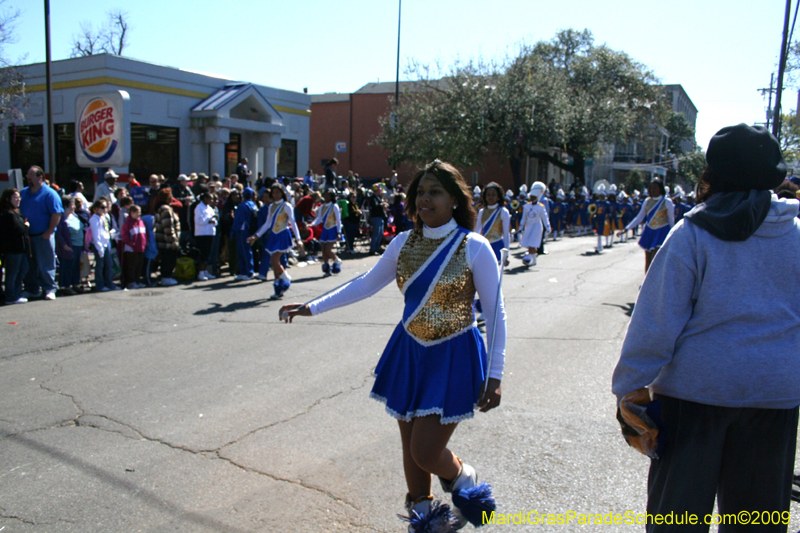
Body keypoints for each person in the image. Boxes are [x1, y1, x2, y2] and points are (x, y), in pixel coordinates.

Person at [279, 160, 505, 529]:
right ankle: (424, 512)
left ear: (454, 200)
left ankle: (464, 479)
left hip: (453, 353)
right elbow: (365, 283)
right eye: (420, 192)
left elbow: (496, 313)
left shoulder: (474, 247)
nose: (425, 199)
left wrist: (495, 374)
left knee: (426, 449)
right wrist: (313, 307)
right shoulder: (403, 242)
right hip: (408, 350)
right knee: (409, 443)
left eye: (435, 192)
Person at [612, 124, 800, 533]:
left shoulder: (694, 232)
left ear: (713, 174)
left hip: (695, 398)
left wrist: (631, 385)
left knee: (677, 519)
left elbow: (657, 318)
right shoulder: (797, 234)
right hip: (774, 397)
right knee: (758, 522)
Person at [247, 183, 302, 299]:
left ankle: (286, 278)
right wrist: (255, 236)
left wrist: (298, 239)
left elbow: (293, 222)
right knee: (276, 262)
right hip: (273, 235)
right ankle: (278, 288)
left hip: (283, 235)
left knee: (274, 261)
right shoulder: (271, 206)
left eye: (278, 192)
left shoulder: (286, 206)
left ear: (282, 193)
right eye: (274, 193)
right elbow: (267, 224)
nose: (276, 195)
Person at [20, 165, 63, 300]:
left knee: (46, 262)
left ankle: (49, 289)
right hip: (28, 236)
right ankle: (32, 289)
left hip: (43, 235)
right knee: (29, 265)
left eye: (31, 175)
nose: (28, 178)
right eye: (27, 175)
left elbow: (56, 214)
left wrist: (49, 232)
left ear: (40, 177)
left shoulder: (49, 193)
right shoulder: (24, 193)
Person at [618, 178, 675, 273]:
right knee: (648, 260)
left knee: (655, 259)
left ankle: (655, 283)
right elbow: (639, 217)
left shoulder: (667, 202)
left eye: (655, 188)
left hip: (661, 232)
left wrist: (674, 235)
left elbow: (671, 220)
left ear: (660, 189)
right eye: (651, 188)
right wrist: (626, 229)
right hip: (649, 232)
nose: (652, 190)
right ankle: (646, 284)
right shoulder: (647, 201)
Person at [0, 188, 30, 304]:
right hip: (12, 249)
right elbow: (19, 229)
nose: (18, 200)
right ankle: (11, 296)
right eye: (15, 198)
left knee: (23, 269)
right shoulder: (8, 214)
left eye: (19, 197)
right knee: (13, 273)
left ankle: (16, 293)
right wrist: (26, 226)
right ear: (8, 199)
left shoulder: (14, 212)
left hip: (19, 248)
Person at [475, 182, 511, 266]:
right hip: (485, 247)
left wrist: (506, 254)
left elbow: (506, 234)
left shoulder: (503, 211)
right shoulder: (482, 211)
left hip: (498, 245)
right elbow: (477, 231)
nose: (490, 197)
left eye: (493, 195)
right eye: (488, 195)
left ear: (498, 197)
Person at [89, 199, 120, 292]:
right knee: (100, 266)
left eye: (106, 207)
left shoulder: (104, 217)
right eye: (102, 207)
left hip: (106, 243)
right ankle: (100, 285)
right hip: (100, 245)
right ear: (96, 208)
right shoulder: (94, 219)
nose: (105, 209)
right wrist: (99, 247)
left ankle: (109, 283)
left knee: (109, 265)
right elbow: (96, 234)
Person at [55, 196, 83, 295]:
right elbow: (58, 234)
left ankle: (75, 284)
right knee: (67, 267)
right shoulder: (61, 218)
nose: (74, 206)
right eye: (72, 204)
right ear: (66, 205)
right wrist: (64, 246)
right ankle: (65, 286)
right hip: (69, 247)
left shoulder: (75, 215)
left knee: (76, 266)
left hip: (78, 245)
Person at [311, 189, 342, 277]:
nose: (326, 197)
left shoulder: (334, 206)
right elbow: (319, 218)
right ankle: (327, 269)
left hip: (332, 229)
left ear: (332, 197)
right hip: (325, 230)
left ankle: (337, 260)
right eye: (325, 195)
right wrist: (311, 224)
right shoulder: (322, 207)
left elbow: (338, 220)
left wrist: (339, 232)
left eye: (328, 195)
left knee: (328, 250)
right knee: (323, 251)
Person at [154, 188, 180, 286]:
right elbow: (168, 226)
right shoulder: (166, 209)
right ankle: (166, 277)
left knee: (166, 258)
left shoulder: (161, 208)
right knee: (168, 259)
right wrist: (173, 239)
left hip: (163, 240)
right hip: (167, 241)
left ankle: (166, 276)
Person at [519, 190, 550, 267]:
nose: (532, 198)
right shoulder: (526, 206)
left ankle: (532, 260)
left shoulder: (541, 207)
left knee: (533, 243)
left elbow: (545, 218)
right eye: (531, 197)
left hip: (537, 226)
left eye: (533, 197)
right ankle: (532, 259)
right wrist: (521, 227)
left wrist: (548, 227)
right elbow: (524, 217)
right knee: (529, 244)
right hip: (529, 226)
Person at [120, 205, 147, 289]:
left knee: (139, 266)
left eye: (140, 212)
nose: (139, 214)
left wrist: (145, 243)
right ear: (132, 213)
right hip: (131, 249)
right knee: (132, 266)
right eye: (137, 212)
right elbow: (124, 236)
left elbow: (144, 235)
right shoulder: (127, 224)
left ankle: (137, 281)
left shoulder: (141, 222)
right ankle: (131, 282)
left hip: (141, 248)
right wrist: (132, 243)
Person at [194, 192, 217, 281]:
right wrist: (209, 220)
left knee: (207, 253)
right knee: (203, 253)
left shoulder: (210, 208)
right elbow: (199, 221)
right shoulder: (199, 208)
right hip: (202, 233)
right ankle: (201, 272)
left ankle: (205, 270)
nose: (211, 200)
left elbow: (214, 219)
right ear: (205, 199)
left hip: (210, 232)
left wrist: (214, 221)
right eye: (210, 199)